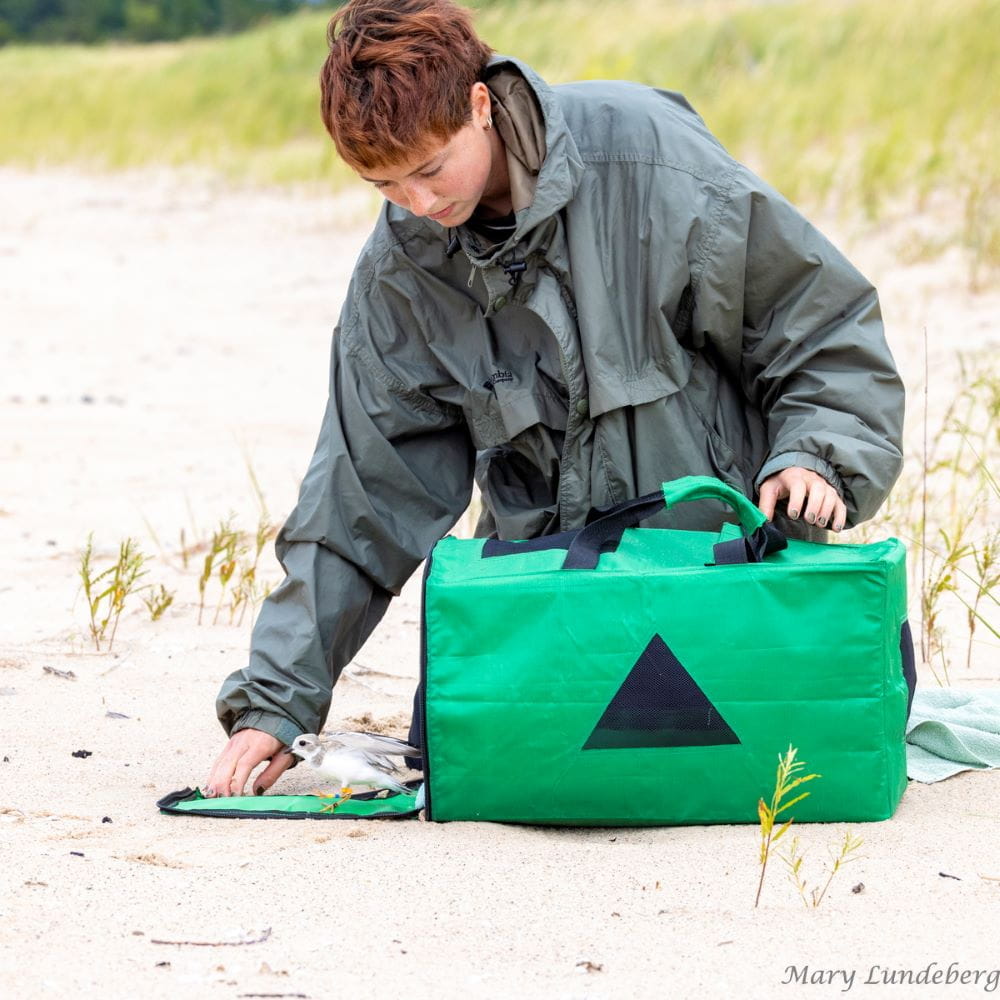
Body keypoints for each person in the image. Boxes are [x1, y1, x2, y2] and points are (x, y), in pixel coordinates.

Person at [205, 0, 904, 798]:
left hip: (723, 586)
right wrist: (277, 698)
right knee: (469, 769)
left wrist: (818, 453)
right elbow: (362, 495)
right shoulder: (400, 274)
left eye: (431, 170)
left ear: (480, 105)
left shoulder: (654, 161)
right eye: (384, 184)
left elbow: (819, 322)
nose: (419, 205)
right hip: (548, 604)